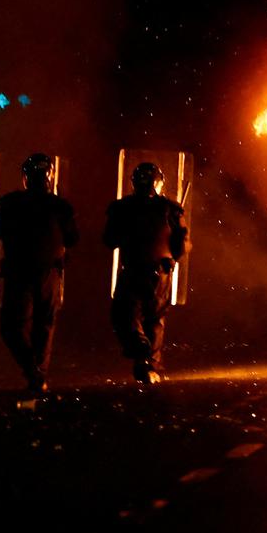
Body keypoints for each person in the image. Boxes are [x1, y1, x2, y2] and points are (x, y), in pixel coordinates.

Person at [0, 153, 78, 394]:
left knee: (13, 326)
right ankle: (38, 372)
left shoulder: (10, 203)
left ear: (25, 178)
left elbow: (2, 233)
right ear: (49, 176)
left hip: (19, 273)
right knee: (44, 325)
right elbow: (73, 238)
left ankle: (33, 371)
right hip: (48, 274)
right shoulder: (60, 206)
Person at [103, 162, 190, 384]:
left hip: (134, 270)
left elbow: (109, 240)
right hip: (159, 273)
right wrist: (171, 258)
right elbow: (183, 244)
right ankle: (150, 364)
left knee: (125, 315)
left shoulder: (123, 208)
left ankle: (143, 353)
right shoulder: (170, 209)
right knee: (154, 319)